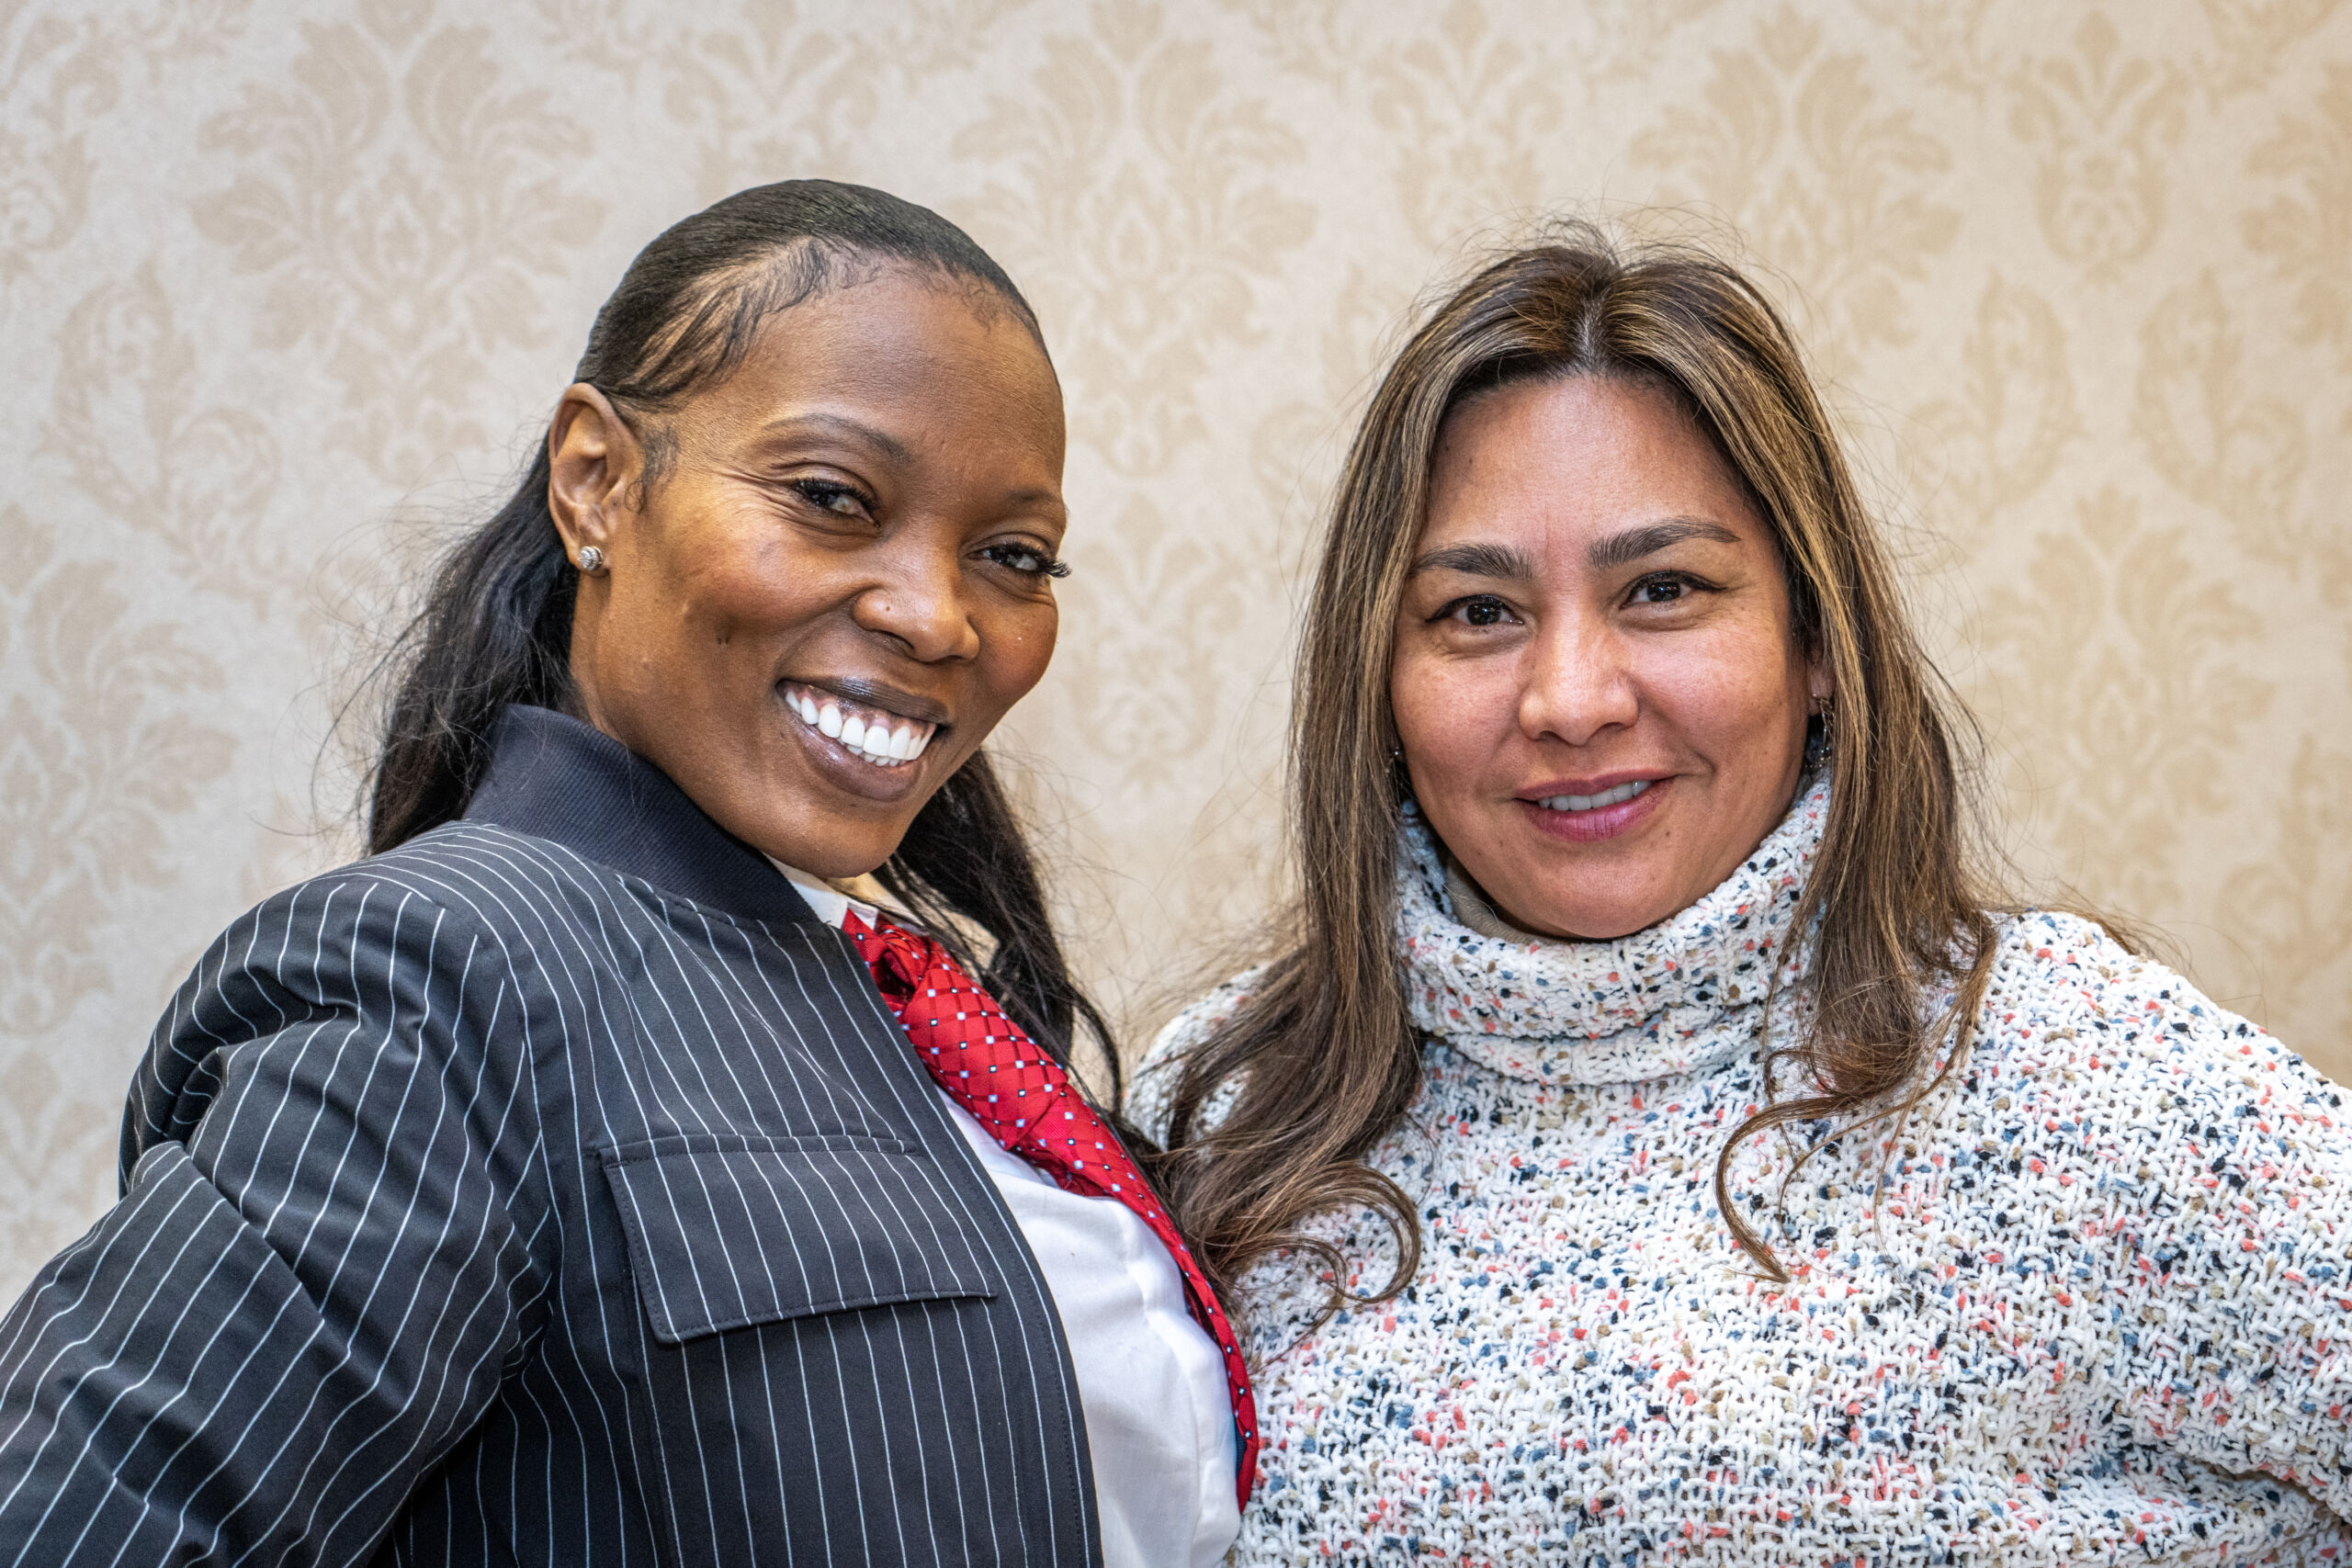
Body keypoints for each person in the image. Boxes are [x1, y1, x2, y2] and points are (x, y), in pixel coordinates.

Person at [0, 180, 1249, 1568]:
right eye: (832, 498)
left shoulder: (917, 1005)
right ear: (596, 478)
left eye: (1012, 556)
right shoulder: (450, 978)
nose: (938, 616)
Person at [1133, 227, 2352, 1563]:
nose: (1571, 701)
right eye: (1478, 612)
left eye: (1662, 590)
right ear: (1380, 679)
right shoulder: (1223, 1106)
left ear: (1815, 642)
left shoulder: (2078, 1073)